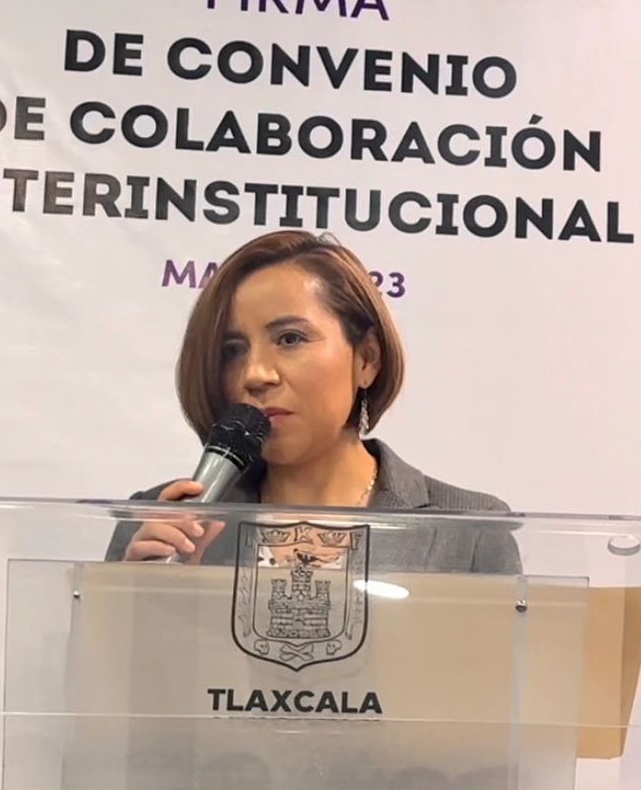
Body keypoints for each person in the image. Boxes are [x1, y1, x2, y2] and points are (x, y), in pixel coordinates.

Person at [104, 230, 519, 573]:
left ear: (367, 358)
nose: (255, 374)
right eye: (233, 350)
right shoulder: (158, 525)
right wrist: (145, 600)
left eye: (290, 339)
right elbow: (106, 651)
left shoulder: (471, 533)